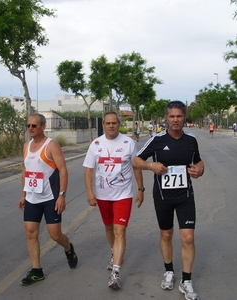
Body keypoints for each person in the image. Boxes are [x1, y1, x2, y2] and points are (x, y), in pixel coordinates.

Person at [132, 100, 204, 300]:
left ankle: (186, 280)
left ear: (184, 118)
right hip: (163, 197)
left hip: (185, 197)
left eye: (179, 116)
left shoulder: (191, 140)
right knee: (166, 234)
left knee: (188, 238)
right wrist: (151, 166)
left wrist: (200, 169)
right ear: (167, 118)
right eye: (172, 116)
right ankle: (169, 271)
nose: (175, 120)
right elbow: (136, 160)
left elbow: (198, 161)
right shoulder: (156, 139)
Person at [83, 111, 144, 289]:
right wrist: (90, 192)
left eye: (114, 123)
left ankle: (115, 273)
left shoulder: (128, 143)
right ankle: (114, 251)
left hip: (123, 195)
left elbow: (136, 166)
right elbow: (88, 170)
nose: (111, 126)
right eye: (108, 123)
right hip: (103, 196)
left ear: (119, 124)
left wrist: (140, 189)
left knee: (120, 231)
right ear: (103, 125)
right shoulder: (96, 144)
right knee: (109, 227)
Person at [18, 113, 78, 286]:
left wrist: (62, 195)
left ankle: (68, 248)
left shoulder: (51, 145)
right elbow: (25, 170)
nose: (30, 128)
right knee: (30, 232)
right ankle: (37, 270)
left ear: (43, 127)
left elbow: (63, 171)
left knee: (55, 235)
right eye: (28, 125)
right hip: (32, 197)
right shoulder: (26, 146)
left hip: (50, 197)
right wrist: (23, 194)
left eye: (34, 126)